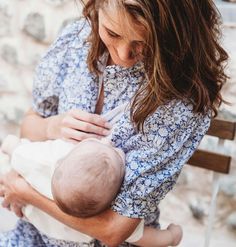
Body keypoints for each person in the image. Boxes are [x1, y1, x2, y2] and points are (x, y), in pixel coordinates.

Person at [0, 0, 228, 246]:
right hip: (34, 236)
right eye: (112, 33)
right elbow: (29, 125)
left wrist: (25, 191)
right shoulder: (76, 40)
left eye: (143, 43)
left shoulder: (180, 99)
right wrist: (51, 127)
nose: (123, 55)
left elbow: (115, 231)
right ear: (96, 6)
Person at [0, 135, 182, 246]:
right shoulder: (104, 212)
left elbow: (18, 149)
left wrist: (9, 144)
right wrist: (171, 236)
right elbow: (148, 238)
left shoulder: (47, 160)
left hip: (39, 228)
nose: (109, 144)